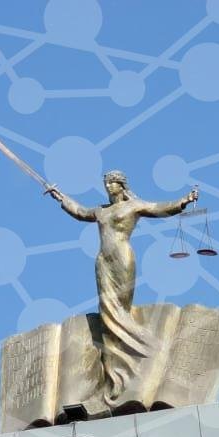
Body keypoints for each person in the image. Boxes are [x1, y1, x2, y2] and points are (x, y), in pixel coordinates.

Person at [49, 171, 198, 404]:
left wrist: (184, 201)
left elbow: (160, 208)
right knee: (107, 315)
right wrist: (60, 197)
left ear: (121, 185)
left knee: (121, 312)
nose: (108, 186)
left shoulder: (134, 206)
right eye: (106, 183)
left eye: (112, 182)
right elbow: (80, 212)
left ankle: (144, 355)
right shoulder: (101, 211)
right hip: (103, 262)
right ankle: (114, 380)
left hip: (123, 258)